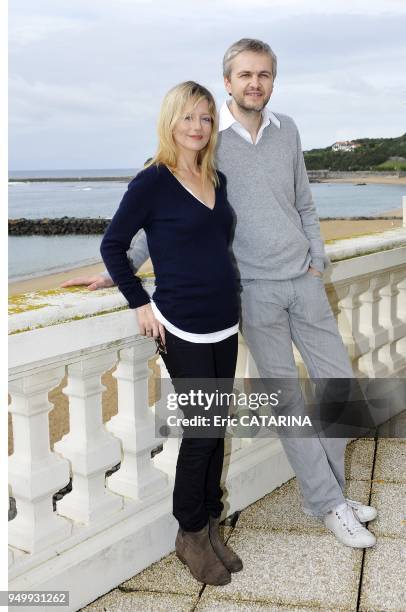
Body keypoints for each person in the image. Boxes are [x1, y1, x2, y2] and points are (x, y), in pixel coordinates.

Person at [63, 39, 378, 549]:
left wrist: (317, 257)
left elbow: (304, 202)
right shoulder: (210, 139)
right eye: (245, 75)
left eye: (265, 74)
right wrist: (118, 271)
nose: (256, 83)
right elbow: (168, 206)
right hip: (252, 290)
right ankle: (326, 502)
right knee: (287, 400)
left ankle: (330, 492)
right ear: (227, 81)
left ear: (273, 80)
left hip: (303, 280)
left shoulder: (288, 130)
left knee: (340, 388)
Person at [99, 81, 243, 585]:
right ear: (170, 122)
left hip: (225, 319)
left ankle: (211, 521)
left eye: (206, 118)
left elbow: (209, 246)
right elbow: (114, 245)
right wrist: (138, 300)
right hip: (180, 324)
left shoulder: (217, 179)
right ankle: (189, 534)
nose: (198, 127)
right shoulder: (152, 181)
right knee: (201, 433)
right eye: (188, 118)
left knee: (217, 429)